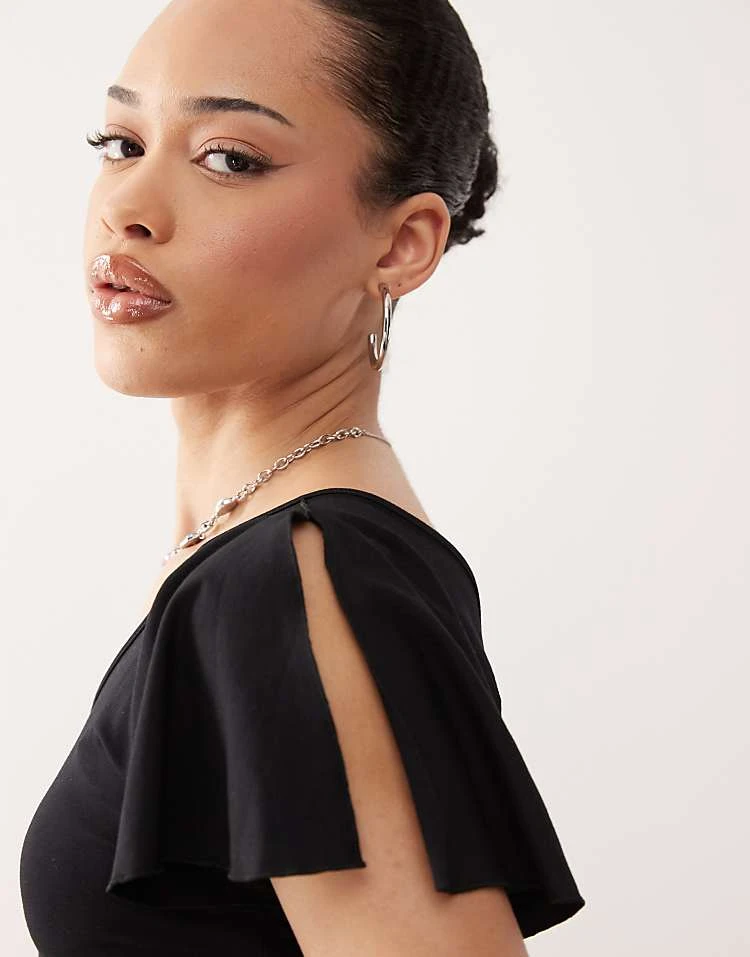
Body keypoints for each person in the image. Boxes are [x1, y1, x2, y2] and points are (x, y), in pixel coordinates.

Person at [19, 0, 586, 954]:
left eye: (229, 159)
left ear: (401, 244)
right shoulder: (274, 558)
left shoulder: (300, 579)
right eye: (121, 143)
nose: (128, 208)